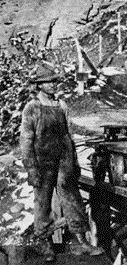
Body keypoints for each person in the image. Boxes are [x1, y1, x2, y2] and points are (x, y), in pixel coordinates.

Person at [20, 64, 104, 262]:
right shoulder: (32, 107)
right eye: (47, 82)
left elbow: (68, 135)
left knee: (72, 198)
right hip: (43, 162)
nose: (52, 85)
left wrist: (73, 160)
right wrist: (31, 168)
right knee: (43, 202)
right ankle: (45, 243)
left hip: (63, 159)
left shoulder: (61, 105)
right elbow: (26, 141)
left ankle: (80, 241)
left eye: (53, 81)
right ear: (38, 85)